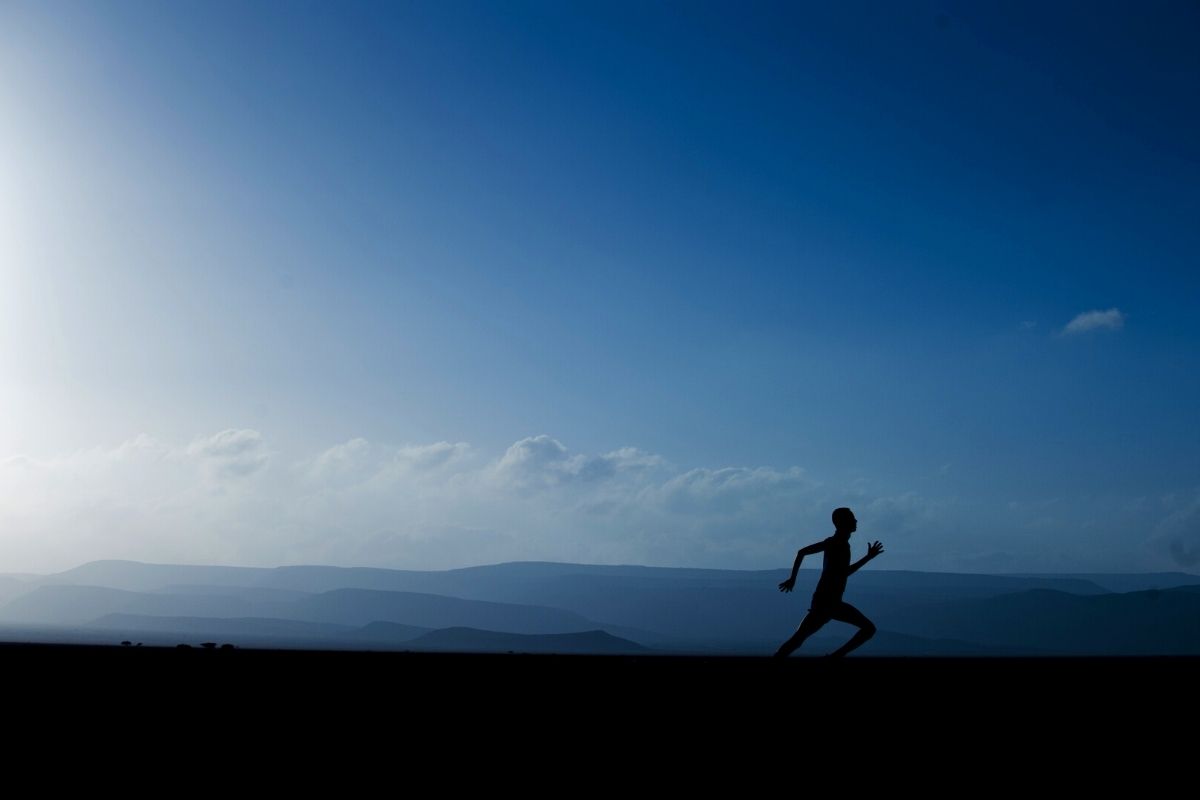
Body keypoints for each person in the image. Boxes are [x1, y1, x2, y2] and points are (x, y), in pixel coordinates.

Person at [774, 507, 883, 658]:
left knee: (798, 639)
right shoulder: (837, 544)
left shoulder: (836, 543)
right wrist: (867, 558)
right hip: (828, 602)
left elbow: (802, 552)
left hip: (826, 601)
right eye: (852, 518)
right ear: (841, 522)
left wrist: (793, 579)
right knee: (868, 629)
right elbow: (844, 572)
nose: (856, 521)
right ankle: (835, 657)